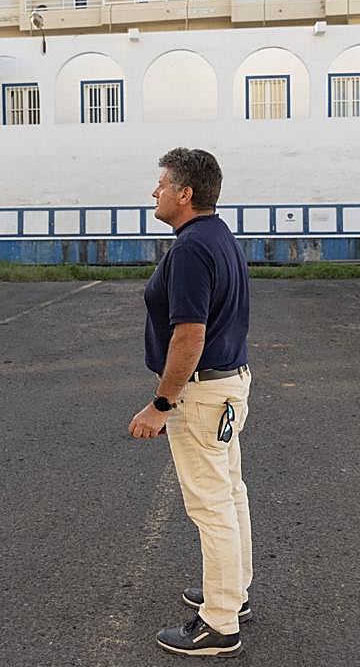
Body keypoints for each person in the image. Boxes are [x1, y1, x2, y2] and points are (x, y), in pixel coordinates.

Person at [129, 147, 253, 658]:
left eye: (161, 184)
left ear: (184, 194)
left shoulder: (190, 250)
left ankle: (220, 623)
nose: (153, 192)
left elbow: (189, 335)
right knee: (230, 494)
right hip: (228, 384)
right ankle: (233, 593)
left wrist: (161, 403)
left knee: (211, 507)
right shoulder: (217, 236)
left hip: (202, 393)